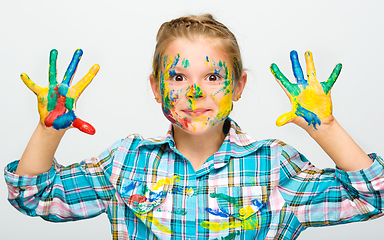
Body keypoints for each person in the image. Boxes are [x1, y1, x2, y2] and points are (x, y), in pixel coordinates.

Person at [4, 14, 384, 240]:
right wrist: (49, 129)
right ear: (157, 88)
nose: (195, 91)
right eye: (179, 77)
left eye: (213, 76)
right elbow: (33, 196)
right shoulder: (125, 162)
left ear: (237, 87)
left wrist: (326, 127)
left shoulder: (276, 166)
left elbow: (374, 198)